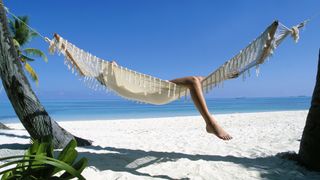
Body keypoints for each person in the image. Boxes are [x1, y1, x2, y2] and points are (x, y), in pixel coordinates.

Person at [111, 61, 232, 141]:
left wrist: (113, 68)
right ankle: (210, 123)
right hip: (155, 93)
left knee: (197, 80)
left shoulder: (120, 82)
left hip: (157, 91)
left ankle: (222, 76)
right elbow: (113, 78)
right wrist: (111, 69)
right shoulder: (117, 84)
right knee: (194, 80)